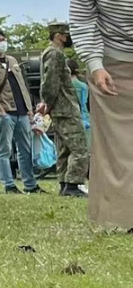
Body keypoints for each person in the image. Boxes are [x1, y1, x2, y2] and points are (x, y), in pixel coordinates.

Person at [70, 0, 133, 230]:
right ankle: (115, 219)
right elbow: (82, 20)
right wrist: (95, 64)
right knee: (113, 148)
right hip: (109, 67)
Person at [0, 29, 41, 192]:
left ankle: (30, 184)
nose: (2, 43)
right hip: (3, 112)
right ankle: (9, 184)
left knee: (25, 149)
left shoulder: (12, 60)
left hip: (22, 111)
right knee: (4, 149)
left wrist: (29, 109)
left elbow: (23, 85)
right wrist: (0, 110)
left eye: (3, 39)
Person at [40, 21, 90, 196]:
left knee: (64, 149)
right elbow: (50, 81)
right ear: (58, 35)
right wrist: (48, 101)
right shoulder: (55, 54)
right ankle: (73, 184)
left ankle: (64, 183)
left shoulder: (52, 53)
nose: (69, 38)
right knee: (80, 148)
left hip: (60, 107)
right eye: (67, 34)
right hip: (65, 107)